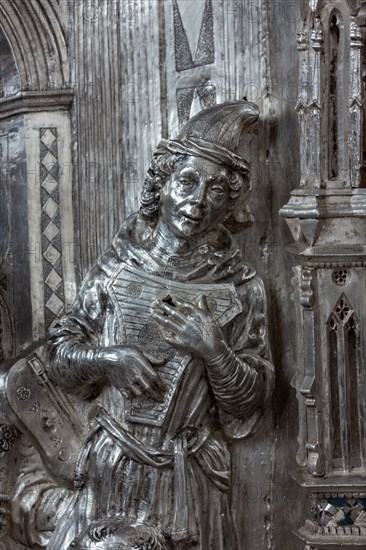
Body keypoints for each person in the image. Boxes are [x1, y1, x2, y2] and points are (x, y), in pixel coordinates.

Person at [25, 100, 273, 549]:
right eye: (187, 181)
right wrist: (107, 359)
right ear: (161, 185)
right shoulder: (118, 268)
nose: (198, 201)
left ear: (231, 202)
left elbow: (249, 404)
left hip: (189, 479)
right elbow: (59, 354)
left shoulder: (240, 287)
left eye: (216, 190)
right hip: (113, 467)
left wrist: (214, 351)